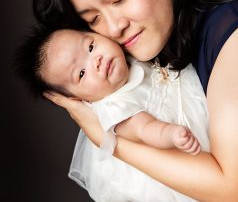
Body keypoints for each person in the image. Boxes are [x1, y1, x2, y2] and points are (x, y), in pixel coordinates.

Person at [32, 0, 238, 201]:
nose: (114, 27)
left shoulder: (230, 34)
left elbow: (232, 189)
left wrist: (107, 139)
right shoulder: (153, 44)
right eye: (93, 19)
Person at [15, 26, 209, 201]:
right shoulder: (113, 107)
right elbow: (145, 129)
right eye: (81, 73)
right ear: (78, 99)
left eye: (90, 47)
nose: (96, 61)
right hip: (174, 152)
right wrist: (171, 134)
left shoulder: (132, 55)